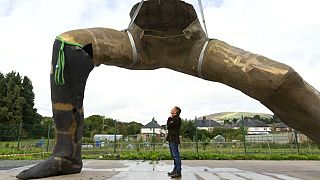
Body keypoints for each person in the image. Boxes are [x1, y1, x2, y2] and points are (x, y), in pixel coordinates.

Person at [166, 106, 182, 178]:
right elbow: (168, 125)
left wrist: (170, 119)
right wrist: (170, 119)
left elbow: (169, 126)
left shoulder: (177, 119)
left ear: (175, 111)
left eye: (173, 108)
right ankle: (175, 170)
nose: (171, 109)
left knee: (176, 156)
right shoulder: (172, 119)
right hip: (171, 139)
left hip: (174, 139)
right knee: (174, 156)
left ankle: (178, 172)